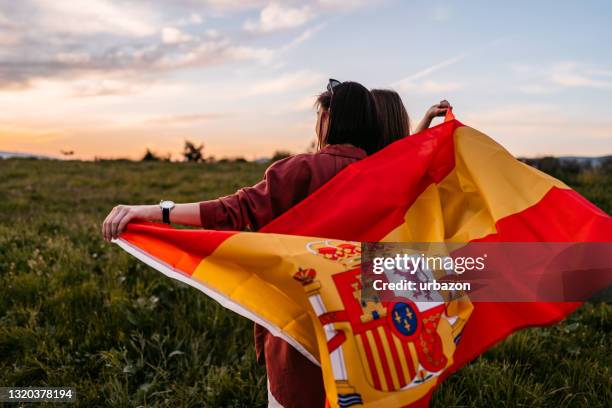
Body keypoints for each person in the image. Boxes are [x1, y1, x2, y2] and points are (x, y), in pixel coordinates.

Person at [102, 80, 451, 407]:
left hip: (299, 332)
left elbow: (232, 211)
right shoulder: (387, 177)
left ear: (327, 118)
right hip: (368, 338)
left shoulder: (298, 171)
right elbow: (405, 163)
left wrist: (154, 211)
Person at [371, 88, 451, 144]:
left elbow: (410, 147)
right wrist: (428, 116)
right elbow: (410, 148)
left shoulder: (365, 156)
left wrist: (428, 116)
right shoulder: (401, 159)